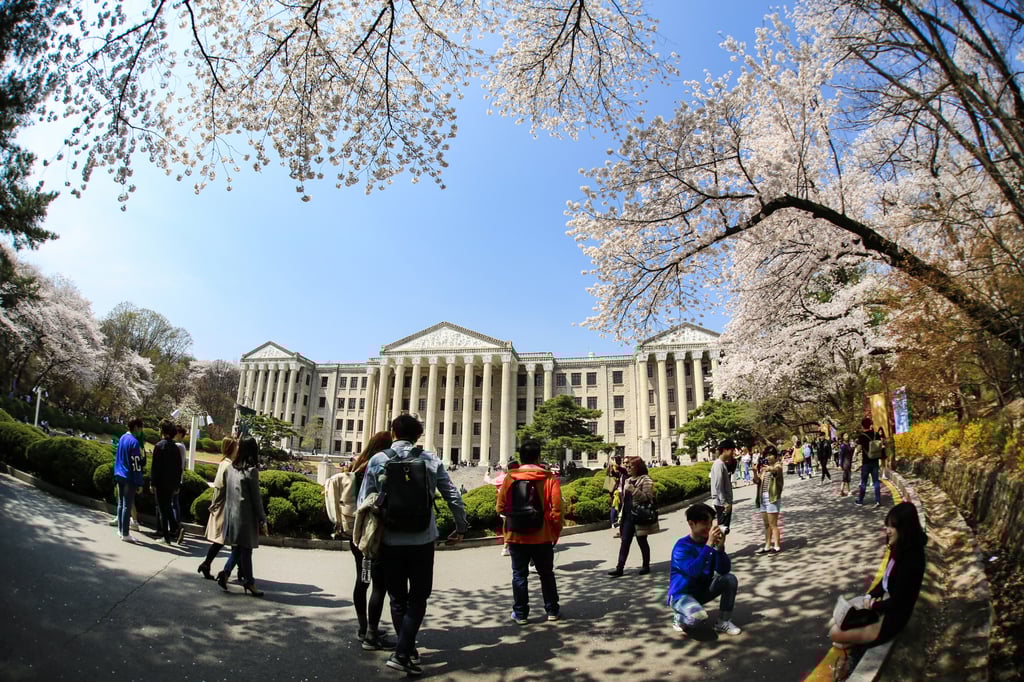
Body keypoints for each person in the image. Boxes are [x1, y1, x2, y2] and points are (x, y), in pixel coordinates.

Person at [357, 414, 468, 677]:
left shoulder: (377, 460)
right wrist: (461, 526)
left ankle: (404, 650)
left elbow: (365, 500)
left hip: (390, 539)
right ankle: (403, 651)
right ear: (418, 436)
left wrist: (362, 538)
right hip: (422, 538)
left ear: (393, 432)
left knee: (397, 598)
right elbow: (453, 495)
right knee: (418, 597)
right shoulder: (430, 459)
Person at [829, 502, 927, 653]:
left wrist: (873, 606)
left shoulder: (912, 560)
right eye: (887, 526)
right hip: (883, 606)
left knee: (834, 633)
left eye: (892, 527)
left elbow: (899, 601)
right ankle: (853, 640)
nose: (887, 531)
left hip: (892, 618)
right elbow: (885, 580)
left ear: (905, 529)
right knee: (837, 619)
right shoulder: (899, 547)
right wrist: (870, 595)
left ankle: (855, 643)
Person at [496, 438, 562, 624]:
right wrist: (554, 531)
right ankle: (552, 610)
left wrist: (514, 518)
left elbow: (500, 507)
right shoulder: (549, 478)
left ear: (521, 457)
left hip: (516, 536)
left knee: (519, 575)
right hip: (542, 536)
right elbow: (557, 510)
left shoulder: (510, 477)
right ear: (538, 457)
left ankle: (521, 613)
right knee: (546, 574)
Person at [346, 431, 393, 649]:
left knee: (362, 579)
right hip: (372, 533)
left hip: (357, 534)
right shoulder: (375, 468)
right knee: (378, 583)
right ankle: (371, 634)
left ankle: (363, 627)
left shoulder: (356, 466)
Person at [667, 503, 742, 636]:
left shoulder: (709, 543)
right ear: (691, 524)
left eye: (710, 522)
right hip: (682, 595)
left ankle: (723, 622)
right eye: (704, 523)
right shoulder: (681, 547)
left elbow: (724, 570)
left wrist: (720, 549)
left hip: (702, 591)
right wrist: (708, 546)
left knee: (730, 579)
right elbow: (693, 571)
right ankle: (679, 618)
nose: (709, 527)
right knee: (697, 618)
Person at [218, 435, 267, 596]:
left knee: (239, 549)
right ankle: (249, 582)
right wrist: (262, 518)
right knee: (245, 549)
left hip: (231, 513)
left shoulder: (232, 467)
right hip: (245, 516)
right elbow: (256, 498)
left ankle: (226, 573)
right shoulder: (251, 472)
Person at [607, 457, 657, 577]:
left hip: (639, 515)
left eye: (630, 466)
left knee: (642, 541)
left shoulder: (646, 480)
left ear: (637, 467)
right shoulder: (628, 480)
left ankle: (646, 565)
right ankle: (620, 568)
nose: (627, 468)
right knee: (625, 541)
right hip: (627, 515)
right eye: (627, 466)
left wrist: (633, 490)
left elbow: (647, 497)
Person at [197, 437, 237, 579]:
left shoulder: (224, 463)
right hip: (225, 508)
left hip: (221, 506)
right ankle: (209, 565)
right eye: (236, 447)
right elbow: (228, 488)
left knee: (225, 541)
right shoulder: (229, 466)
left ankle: (207, 564)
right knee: (229, 541)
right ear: (232, 449)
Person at [151, 419, 184, 544]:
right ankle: (175, 528)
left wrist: (152, 483)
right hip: (171, 483)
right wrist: (177, 484)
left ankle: (166, 536)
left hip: (160, 482)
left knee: (162, 509)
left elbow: (155, 466)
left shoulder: (159, 446)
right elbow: (178, 468)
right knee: (168, 506)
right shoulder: (175, 448)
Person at [113, 417, 145, 542]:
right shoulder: (134, 442)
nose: (141, 430)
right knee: (127, 504)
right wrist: (139, 482)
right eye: (141, 427)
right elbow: (136, 464)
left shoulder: (122, 438)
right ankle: (125, 533)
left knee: (121, 503)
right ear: (136, 427)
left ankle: (121, 530)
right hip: (129, 477)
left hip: (119, 474)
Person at [753, 445, 784, 554]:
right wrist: (754, 471)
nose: (769, 457)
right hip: (763, 498)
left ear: (775, 456)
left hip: (772, 498)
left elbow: (776, 471)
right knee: (766, 524)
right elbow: (757, 481)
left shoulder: (778, 465)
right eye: (767, 455)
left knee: (773, 524)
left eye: (771, 455)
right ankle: (767, 546)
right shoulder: (764, 469)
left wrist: (770, 469)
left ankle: (776, 546)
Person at [709, 439, 736, 549]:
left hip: (721, 502)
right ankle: (718, 553)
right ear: (725, 450)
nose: (732, 454)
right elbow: (718, 486)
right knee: (722, 530)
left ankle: (719, 552)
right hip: (721, 503)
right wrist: (725, 503)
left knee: (723, 530)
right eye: (731, 451)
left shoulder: (721, 464)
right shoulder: (719, 464)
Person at [856, 417, 886, 508]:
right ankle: (877, 500)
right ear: (870, 425)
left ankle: (860, 500)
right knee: (876, 481)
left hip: (866, 462)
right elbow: (880, 444)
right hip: (875, 460)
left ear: (862, 426)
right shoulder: (876, 434)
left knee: (864, 482)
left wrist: (857, 452)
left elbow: (859, 448)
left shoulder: (862, 436)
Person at [172, 424, 189, 539]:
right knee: (174, 502)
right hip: (178, 478)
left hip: (175, 478)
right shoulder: (181, 445)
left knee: (173, 503)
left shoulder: (178, 446)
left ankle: (175, 527)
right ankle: (176, 526)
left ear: (179, 434)